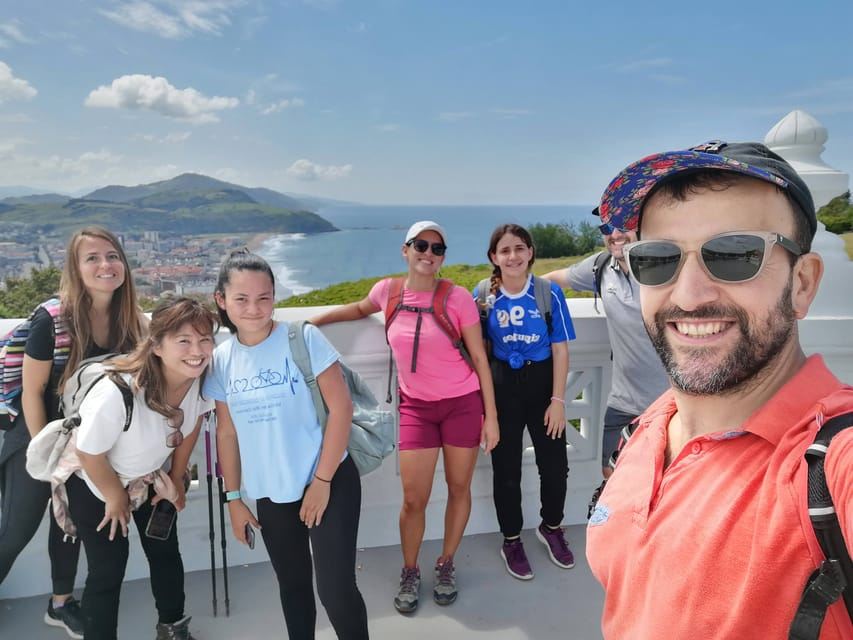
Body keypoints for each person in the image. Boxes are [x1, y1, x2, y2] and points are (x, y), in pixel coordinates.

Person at [585, 141, 853, 639]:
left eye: (735, 255)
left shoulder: (830, 463)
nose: (688, 296)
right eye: (658, 259)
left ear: (803, 284)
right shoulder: (647, 429)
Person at [311, 220, 499, 614]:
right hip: (416, 407)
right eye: (421, 245)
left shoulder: (457, 297)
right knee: (414, 499)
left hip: (463, 403)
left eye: (437, 249)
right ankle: (410, 569)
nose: (428, 254)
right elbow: (360, 308)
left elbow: (479, 357)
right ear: (405, 249)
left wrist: (490, 415)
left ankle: (446, 563)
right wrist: (313, 324)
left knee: (459, 487)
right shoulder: (389, 292)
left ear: (443, 258)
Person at [206, 249, 369, 640]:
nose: (253, 308)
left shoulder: (302, 337)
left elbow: (341, 409)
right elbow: (226, 433)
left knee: (335, 589)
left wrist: (322, 481)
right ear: (221, 300)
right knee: (293, 588)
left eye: (263, 297)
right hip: (272, 494)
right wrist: (233, 499)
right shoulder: (222, 359)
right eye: (241, 299)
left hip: (329, 480)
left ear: (274, 296)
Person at [0, 226, 146, 639]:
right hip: (37, 436)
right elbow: (32, 392)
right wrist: (48, 460)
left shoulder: (129, 321)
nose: (105, 265)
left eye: (112, 256)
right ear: (76, 269)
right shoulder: (53, 318)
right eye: (93, 258)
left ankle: (60, 603)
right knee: (15, 530)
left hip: (85, 443)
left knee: (72, 525)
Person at [65, 296, 216, 640]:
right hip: (96, 482)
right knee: (108, 569)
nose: (197, 350)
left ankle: (172, 627)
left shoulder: (200, 380)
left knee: (164, 551)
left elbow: (191, 426)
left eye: (205, 339)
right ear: (157, 346)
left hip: (150, 478)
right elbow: (88, 452)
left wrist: (176, 478)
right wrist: (115, 496)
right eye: (184, 341)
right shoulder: (118, 392)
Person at [475, 224, 576, 581]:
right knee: (506, 471)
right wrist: (487, 410)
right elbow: (480, 352)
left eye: (520, 248)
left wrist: (558, 400)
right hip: (503, 387)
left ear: (531, 252)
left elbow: (561, 347)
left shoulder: (548, 293)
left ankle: (551, 527)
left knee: (554, 467)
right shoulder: (483, 295)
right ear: (493, 258)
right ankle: (511, 539)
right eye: (505, 250)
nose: (513, 256)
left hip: (542, 384)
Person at [544, 210, 669, 478]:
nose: (614, 235)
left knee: (665, 484)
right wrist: (504, 297)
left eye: (623, 226)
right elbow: (554, 279)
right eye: (607, 227)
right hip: (623, 402)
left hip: (671, 404)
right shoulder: (600, 267)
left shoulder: (665, 268)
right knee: (611, 476)